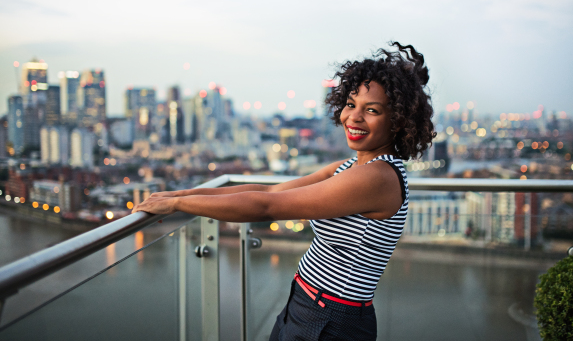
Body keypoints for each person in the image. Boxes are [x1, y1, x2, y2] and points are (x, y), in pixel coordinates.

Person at [133, 42, 436, 340]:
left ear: (397, 122)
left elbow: (267, 206)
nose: (353, 118)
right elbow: (271, 189)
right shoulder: (351, 167)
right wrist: (177, 196)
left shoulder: (377, 178)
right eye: (350, 104)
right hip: (305, 302)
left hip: (331, 320)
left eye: (371, 110)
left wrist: (178, 206)